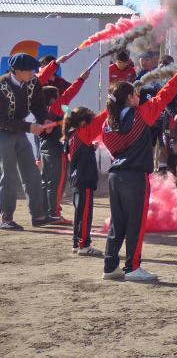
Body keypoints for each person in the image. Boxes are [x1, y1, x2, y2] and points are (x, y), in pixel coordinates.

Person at [100, 57, 177, 281]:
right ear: (129, 98)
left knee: (118, 222)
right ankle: (132, 267)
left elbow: (114, 150)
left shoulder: (107, 124)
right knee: (136, 223)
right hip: (135, 177)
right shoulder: (142, 114)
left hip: (115, 176)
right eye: (135, 94)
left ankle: (110, 266)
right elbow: (166, 95)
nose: (139, 96)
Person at [0, 53, 52, 230]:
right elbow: (2, 120)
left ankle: (38, 216)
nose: (34, 72)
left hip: (19, 131)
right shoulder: (1, 85)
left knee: (31, 172)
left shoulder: (33, 82)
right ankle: (6, 218)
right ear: (18, 71)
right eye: (30, 69)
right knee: (9, 176)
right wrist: (29, 127)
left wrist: (43, 119)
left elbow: (39, 105)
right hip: (2, 132)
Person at [38, 65, 91, 223]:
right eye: (58, 95)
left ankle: (44, 212)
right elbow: (70, 93)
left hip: (45, 147)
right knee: (57, 182)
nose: (61, 97)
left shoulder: (40, 109)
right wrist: (81, 78)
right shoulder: (55, 107)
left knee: (46, 180)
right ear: (54, 99)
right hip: (55, 148)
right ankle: (54, 214)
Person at [62, 106, 108, 256]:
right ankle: (84, 245)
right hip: (85, 179)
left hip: (77, 180)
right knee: (85, 214)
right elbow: (102, 118)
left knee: (79, 213)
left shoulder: (71, 135)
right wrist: (115, 102)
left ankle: (77, 243)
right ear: (83, 122)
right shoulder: (83, 132)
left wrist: (89, 147)